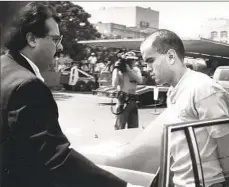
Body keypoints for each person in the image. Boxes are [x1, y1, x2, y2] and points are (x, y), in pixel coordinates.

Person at [0, 2, 143, 187]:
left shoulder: (5, 68)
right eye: (55, 39)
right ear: (32, 39)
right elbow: (57, 158)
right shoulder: (28, 85)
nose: (59, 48)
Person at [140, 29, 229, 187]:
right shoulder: (174, 91)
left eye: (150, 60)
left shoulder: (203, 89)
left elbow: (228, 146)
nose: (147, 68)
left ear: (171, 56)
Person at [112, 51, 143, 130]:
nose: (132, 62)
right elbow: (114, 85)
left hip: (133, 101)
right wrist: (116, 69)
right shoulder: (120, 72)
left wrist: (129, 70)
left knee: (133, 128)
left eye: (133, 60)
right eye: (129, 60)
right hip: (123, 100)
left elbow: (140, 80)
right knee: (119, 126)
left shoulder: (135, 70)